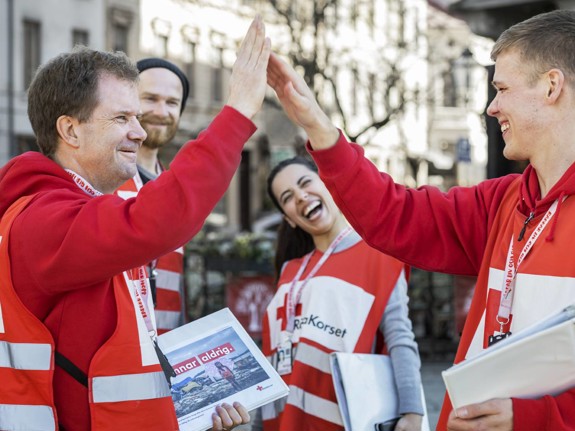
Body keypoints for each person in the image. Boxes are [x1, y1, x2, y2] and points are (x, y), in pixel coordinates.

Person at [266, 9, 575, 431]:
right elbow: (394, 214)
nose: (491, 106)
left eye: (502, 88)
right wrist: (318, 128)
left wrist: (531, 419)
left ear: (551, 86)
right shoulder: (502, 202)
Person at [0, 16, 269, 431]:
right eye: (122, 118)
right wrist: (235, 117)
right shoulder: (42, 219)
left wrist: (191, 410)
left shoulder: (67, 208)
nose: (140, 132)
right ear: (70, 130)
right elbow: (156, 220)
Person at [259, 156, 424, 431]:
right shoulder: (290, 271)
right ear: (288, 218)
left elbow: (399, 336)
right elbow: (270, 356)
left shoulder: (379, 256)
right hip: (284, 419)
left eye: (305, 183)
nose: (301, 196)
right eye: (288, 197)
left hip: (344, 417)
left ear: (326, 182)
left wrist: (412, 412)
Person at [116, 57, 190, 334]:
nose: (161, 111)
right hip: (121, 354)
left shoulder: (175, 188)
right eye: (150, 98)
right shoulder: (101, 180)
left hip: (168, 355)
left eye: (172, 103)